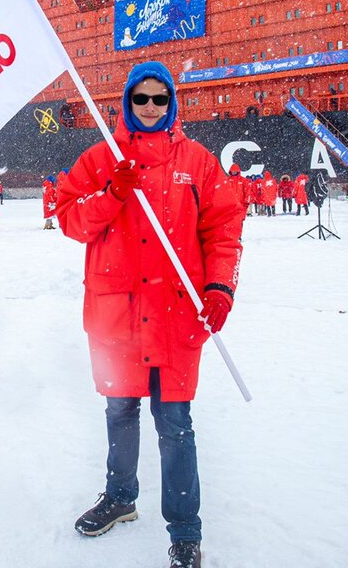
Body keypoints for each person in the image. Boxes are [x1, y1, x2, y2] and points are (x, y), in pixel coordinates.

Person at [55, 61, 246, 568]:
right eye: (141, 98)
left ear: (173, 105)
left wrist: (220, 287)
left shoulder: (200, 162)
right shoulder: (101, 158)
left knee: (175, 421)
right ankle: (121, 497)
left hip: (174, 314)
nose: (150, 108)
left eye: (160, 99)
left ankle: (186, 531)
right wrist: (112, 193)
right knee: (120, 411)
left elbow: (223, 230)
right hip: (117, 314)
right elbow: (69, 220)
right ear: (127, 103)